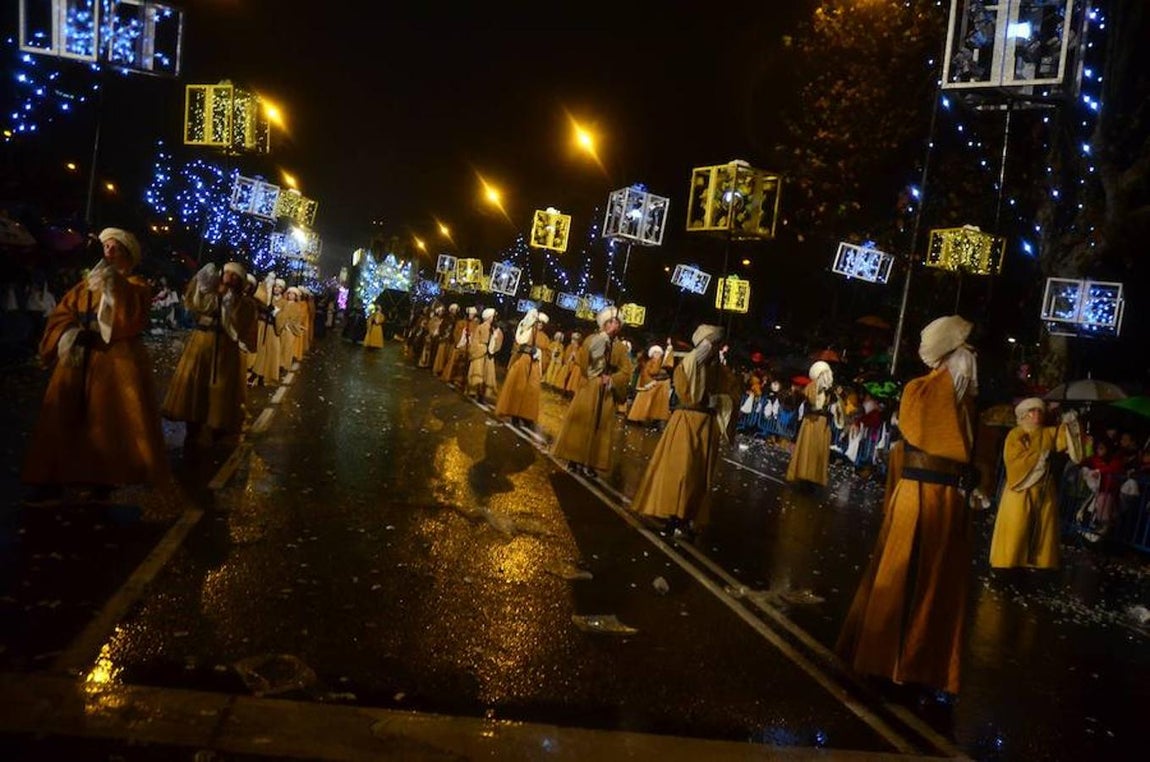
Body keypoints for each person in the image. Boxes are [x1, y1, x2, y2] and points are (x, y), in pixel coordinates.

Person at [836, 315, 980, 699]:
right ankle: (885, 662)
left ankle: (921, 666)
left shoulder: (964, 403)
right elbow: (929, 431)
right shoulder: (921, 390)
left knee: (936, 586)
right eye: (962, 351)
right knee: (904, 576)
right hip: (920, 495)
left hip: (948, 500)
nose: (970, 359)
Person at [22, 228, 169, 498]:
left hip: (115, 361)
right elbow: (63, 311)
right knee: (64, 414)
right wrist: (69, 331)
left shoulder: (136, 285)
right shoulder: (88, 283)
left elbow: (131, 316)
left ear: (128, 254)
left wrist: (114, 283)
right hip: (79, 356)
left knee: (107, 419)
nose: (108, 252)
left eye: (115, 248)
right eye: (106, 247)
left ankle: (103, 476)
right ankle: (54, 474)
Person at [632, 325, 739, 538]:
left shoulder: (723, 372)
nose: (713, 348)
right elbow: (686, 390)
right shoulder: (687, 366)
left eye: (716, 344)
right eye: (711, 343)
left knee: (698, 476)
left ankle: (688, 517)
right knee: (679, 470)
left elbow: (733, 396)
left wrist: (720, 400)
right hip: (685, 423)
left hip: (706, 427)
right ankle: (672, 514)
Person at [161, 261, 258, 446]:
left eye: (234, 276)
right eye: (227, 273)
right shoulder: (212, 295)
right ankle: (193, 425)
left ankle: (218, 425)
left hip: (224, 350)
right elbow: (194, 304)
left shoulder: (245, 303)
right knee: (196, 386)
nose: (229, 278)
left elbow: (241, 327)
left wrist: (229, 306)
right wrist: (200, 286)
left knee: (220, 389)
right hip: (201, 345)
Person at [988, 398, 1082, 569]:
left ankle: (1039, 561)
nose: (1037, 414)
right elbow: (1014, 459)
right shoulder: (1016, 434)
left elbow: (1065, 439)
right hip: (1021, 489)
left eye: (1040, 411)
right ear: (1025, 414)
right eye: (1033, 411)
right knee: (1018, 525)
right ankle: (1009, 561)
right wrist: (1041, 458)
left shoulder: (1048, 433)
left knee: (1043, 527)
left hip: (1043, 488)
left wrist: (1070, 423)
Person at [551, 306, 633, 478]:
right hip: (589, 387)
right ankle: (574, 458)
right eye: (610, 322)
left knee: (600, 427)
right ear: (604, 324)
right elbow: (584, 361)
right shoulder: (592, 339)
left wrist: (612, 379)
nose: (614, 325)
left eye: (617, 323)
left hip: (606, 391)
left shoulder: (620, 348)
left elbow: (626, 371)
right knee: (582, 423)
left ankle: (592, 462)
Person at [494, 308, 550, 426]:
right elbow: (518, 344)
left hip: (534, 364)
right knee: (518, 387)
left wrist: (540, 354)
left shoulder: (545, 337)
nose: (540, 324)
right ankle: (514, 413)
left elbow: (546, 353)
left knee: (531, 390)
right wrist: (527, 350)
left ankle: (526, 414)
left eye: (542, 323)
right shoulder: (527, 330)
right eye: (538, 322)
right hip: (523, 362)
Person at [785, 360, 835, 487]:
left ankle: (808, 476)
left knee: (811, 448)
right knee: (813, 449)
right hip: (818, 422)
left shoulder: (821, 387)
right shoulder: (824, 388)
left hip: (816, 422)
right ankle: (810, 476)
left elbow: (811, 399)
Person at [626, 339, 675, 427]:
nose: (658, 355)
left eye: (659, 353)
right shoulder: (654, 361)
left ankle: (652, 418)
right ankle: (645, 417)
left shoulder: (653, 361)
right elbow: (653, 371)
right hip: (649, 383)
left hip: (650, 383)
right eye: (656, 353)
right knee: (648, 400)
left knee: (653, 400)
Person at [466, 307, 502, 403]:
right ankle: (475, 392)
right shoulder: (481, 327)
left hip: (489, 354)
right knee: (478, 374)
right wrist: (482, 348)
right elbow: (475, 341)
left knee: (487, 375)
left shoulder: (496, 329)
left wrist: (493, 346)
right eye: (493, 317)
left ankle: (483, 394)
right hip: (480, 354)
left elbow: (499, 341)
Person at [441, 305, 476, 387]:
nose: (472, 316)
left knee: (463, 366)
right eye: (471, 314)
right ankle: (450, 378)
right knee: (454, 362)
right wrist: (459, 342)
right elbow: (456, 333)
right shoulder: (460, 323)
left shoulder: (475, 325)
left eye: (473, 314)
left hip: (467, 347)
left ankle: (459, 380)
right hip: (459, 346)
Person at [432, 303, 459, 375]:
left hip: (450, 339)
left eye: (455, 310)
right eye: (453, 310)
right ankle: (437, 369)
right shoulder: (446, 318)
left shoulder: (456, 319)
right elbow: (442, 327)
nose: (454, 311)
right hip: (444, 338)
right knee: (440, 355)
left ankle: (443, 370)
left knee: (447, 355)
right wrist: (442, 335)